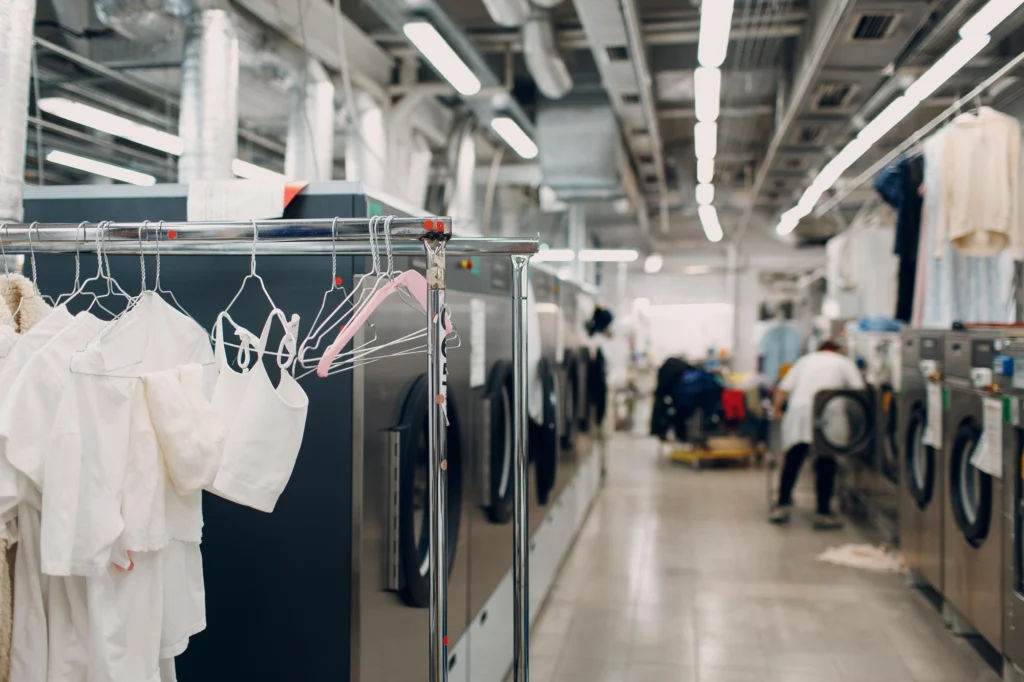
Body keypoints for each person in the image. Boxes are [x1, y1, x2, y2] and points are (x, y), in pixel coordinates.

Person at [769, 339, 864, 529]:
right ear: (837, 349)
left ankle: (781, 505)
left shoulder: (804, 360)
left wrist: (777, 409)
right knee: (826, 460)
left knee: (794, 457)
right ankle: (823, 512)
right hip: (829, 411)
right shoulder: (845, 362)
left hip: (800, 411)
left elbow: (783, 388)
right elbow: (860, 391)